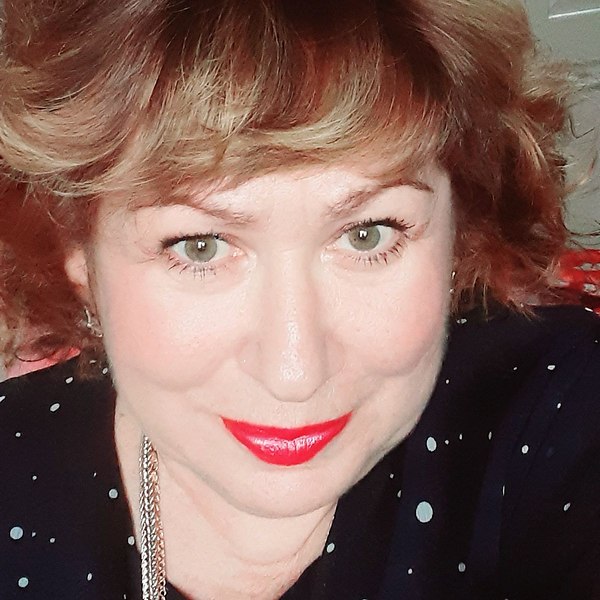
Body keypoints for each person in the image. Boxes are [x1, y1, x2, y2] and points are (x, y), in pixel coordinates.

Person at [1, 0, 599, 598]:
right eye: (200, 247)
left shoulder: (557, 409)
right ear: (78, 251)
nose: (296, 374)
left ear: (459, 229)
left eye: (367, 235)